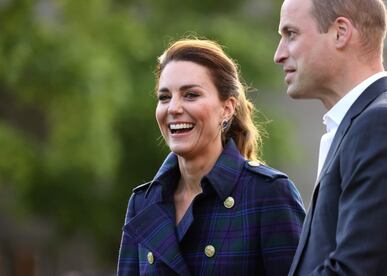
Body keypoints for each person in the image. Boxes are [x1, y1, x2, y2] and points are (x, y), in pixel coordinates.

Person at [117, 38, 305, 275]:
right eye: (164, 97)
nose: (173, 108)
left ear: (226, 109)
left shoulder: (268, 193)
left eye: (191, 95)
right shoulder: (143, 202)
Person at [274, 0, 387, 275]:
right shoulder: (362, 125)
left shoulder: (383, 125)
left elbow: (355, 269)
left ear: (340, 32)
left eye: (291, 34)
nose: (278, 54)